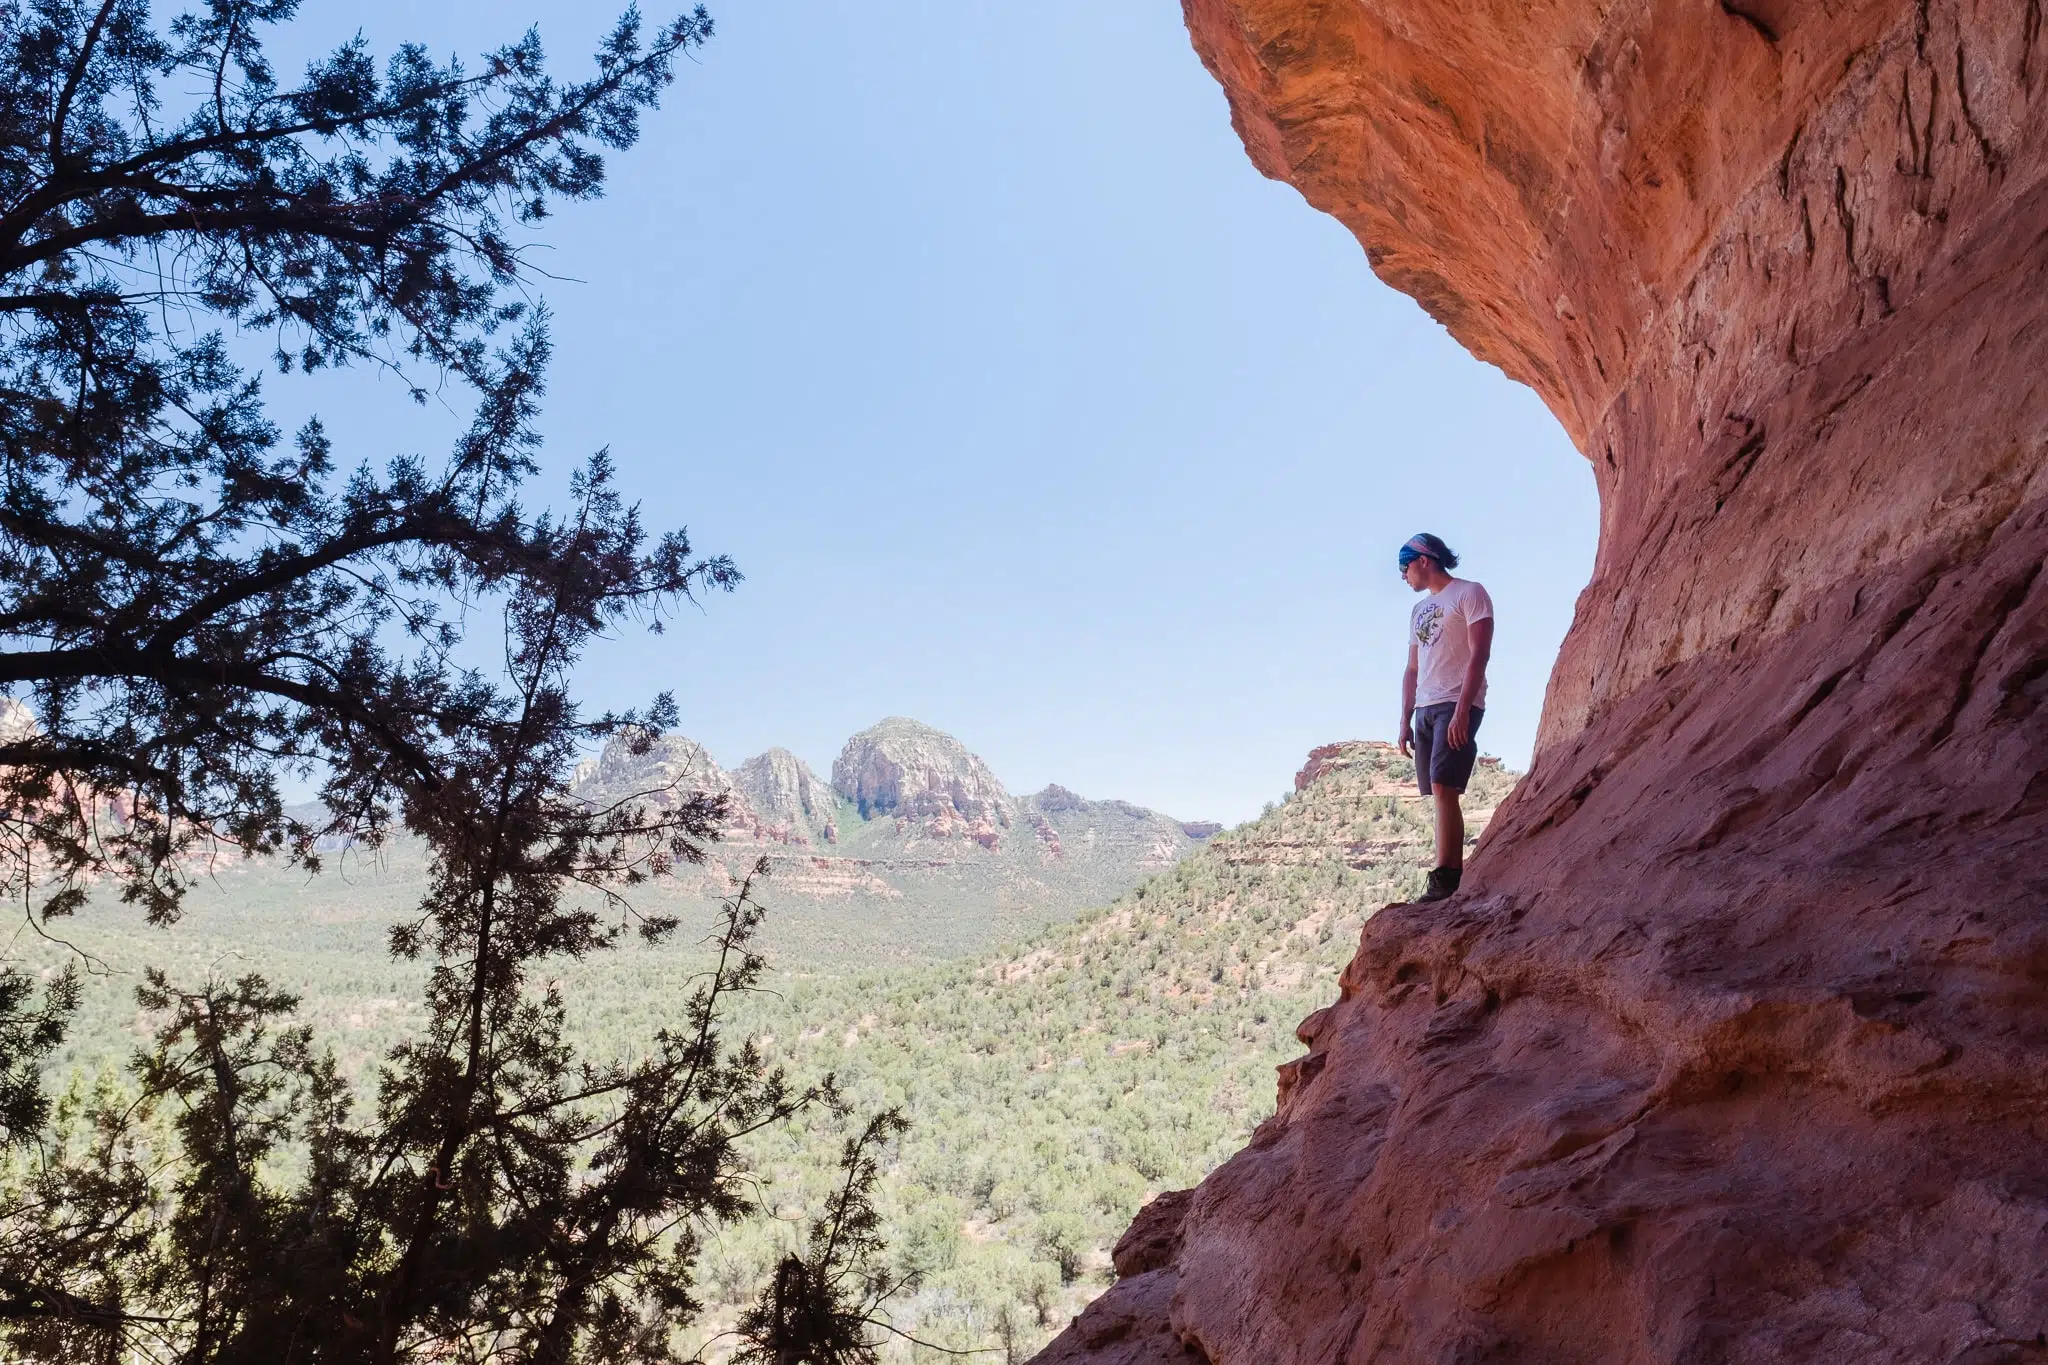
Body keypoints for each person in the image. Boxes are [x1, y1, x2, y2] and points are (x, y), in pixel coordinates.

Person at [1396, 533, 1493, 903]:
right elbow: (1411, 668)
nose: (1403, 575)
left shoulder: (1470, 593)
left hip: (1456, 701)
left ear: (1424, 559)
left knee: (1443, 786)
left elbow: (1479, 655)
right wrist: (1405, 719)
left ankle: (1448, 876)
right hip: (1425, 707)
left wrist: (1464, 709)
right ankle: (1444, 872)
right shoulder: (1418, 611)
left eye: (1404, 567)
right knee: (1436, 790)